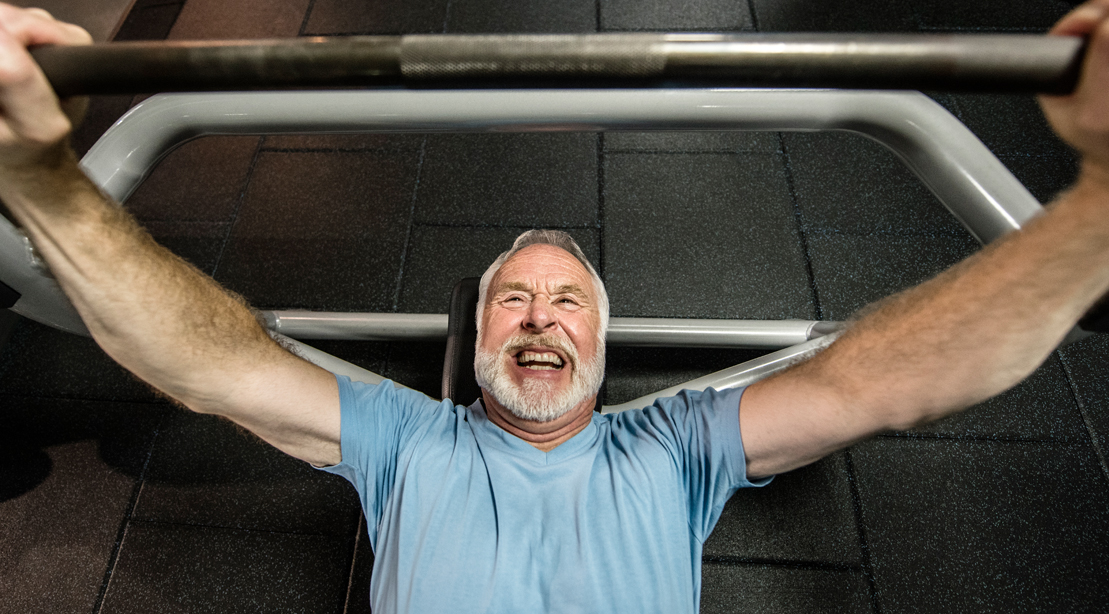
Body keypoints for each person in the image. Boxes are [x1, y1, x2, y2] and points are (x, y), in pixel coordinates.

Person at [1, 1, 1109, 612]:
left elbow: (885, 380)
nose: (538, 315)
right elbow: (209, 363)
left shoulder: (672, 446)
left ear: (603, 336)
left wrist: (1096, 209)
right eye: (512, 297)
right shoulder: (408, 439)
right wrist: (43, 180)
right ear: (474, 332)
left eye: (567, 300)